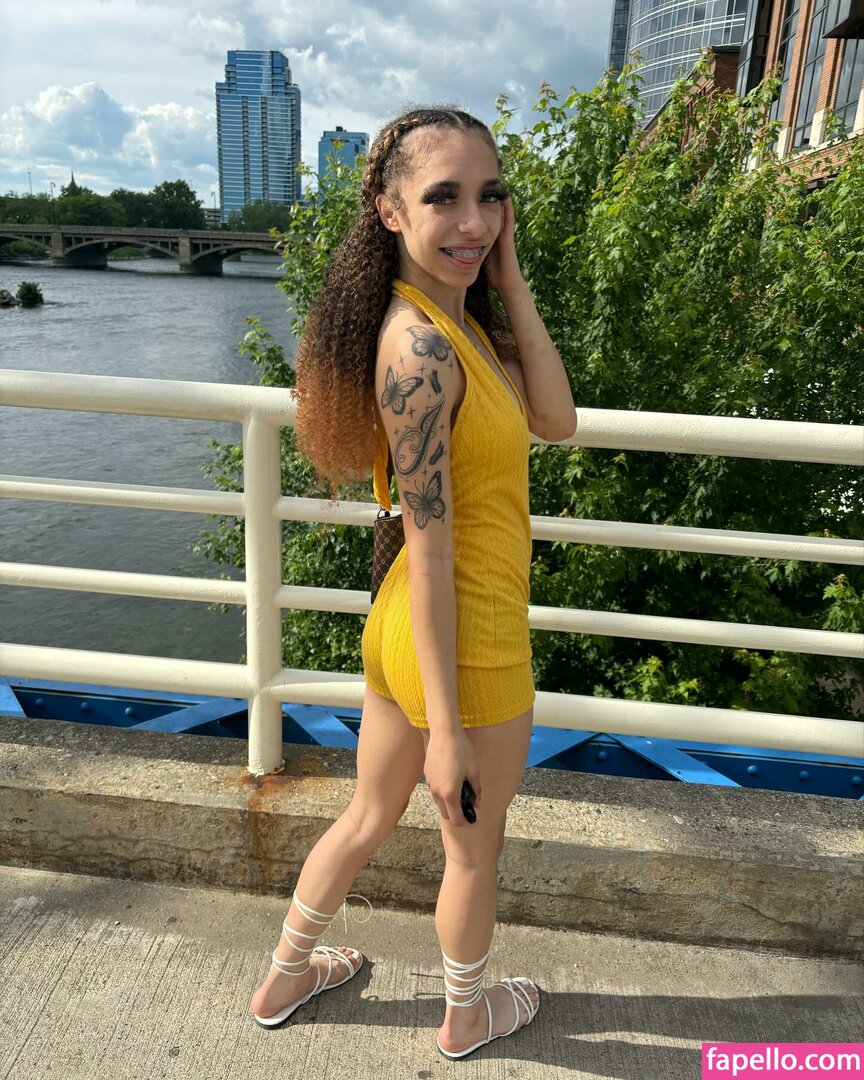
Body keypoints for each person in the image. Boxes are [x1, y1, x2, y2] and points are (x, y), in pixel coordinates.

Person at [250, 106, 577, 1060]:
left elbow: (556, 419)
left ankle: (286, 974)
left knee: (367, 815)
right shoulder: (422, 350)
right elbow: (433, 550)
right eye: (444, 198)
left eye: (491, 196)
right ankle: (467, 1014)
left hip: (406, 628)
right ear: (390, 211)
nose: (474, 221)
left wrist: (509, 281)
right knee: (472, 849)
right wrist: (449, 733)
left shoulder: (454, 325)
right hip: (464, 644)